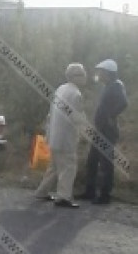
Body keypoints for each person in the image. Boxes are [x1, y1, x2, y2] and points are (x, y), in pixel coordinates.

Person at [35, 63, 87, 208]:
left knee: (54, 166)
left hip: (54, 135)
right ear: (74, 77)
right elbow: (77, 118)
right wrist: (86, 131)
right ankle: (64, 197)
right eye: (82, 74)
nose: (84, 77)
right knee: (68, 167)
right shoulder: (76, 94)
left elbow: (50, 114)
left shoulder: (61, 89)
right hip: (66, 138)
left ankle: (42, 191)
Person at [77, 59, 128, 205]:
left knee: (106, 163)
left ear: (108, 73)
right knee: (92, 161)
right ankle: (90, 191)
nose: (99, 74)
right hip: (100, 129)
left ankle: (105, 195)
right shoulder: (108, 86)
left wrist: (111, 116)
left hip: (108, 131)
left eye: (101, 72)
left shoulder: (117, 85)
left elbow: (124, 103)